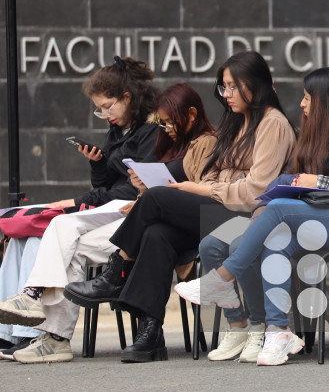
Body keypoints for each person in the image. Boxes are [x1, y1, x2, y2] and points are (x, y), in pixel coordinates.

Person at [174, 55, 329, 367]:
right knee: (272, 237)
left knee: (275, 210)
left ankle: (223, 277)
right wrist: (300, 186)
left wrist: (314, 181)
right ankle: (277, 330)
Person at [63, 51, 295, 363]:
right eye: (223, 87)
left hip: (248, 217)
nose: (225, 95)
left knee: (157, 197)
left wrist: (199, 188)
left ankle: (117, 271)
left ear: (255, 84)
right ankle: (150, 332)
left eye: (232, 87)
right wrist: (207, 185)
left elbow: (256, 190)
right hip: (221, 209)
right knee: (157, 234)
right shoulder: (237, 123)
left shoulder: (273, 124)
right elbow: (215, 171)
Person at [0, 83, 216, 364]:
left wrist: (143, 195)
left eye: (168, 122)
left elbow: (197, 191)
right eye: (161, 123)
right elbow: (142, 190)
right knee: (66, 239)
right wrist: (138, 186)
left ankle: (69, 291)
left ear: (190, 114)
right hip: (139, 214)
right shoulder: (156, 140)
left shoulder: (203, 142)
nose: (165, 128)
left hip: (154, 219)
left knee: (67, 226)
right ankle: (53, 333)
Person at [0, 56, 159, 357]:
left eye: (107, 106)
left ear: (127, 97)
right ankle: (55, 339)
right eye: (98, 109)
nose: (104, 114)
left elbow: (135, 186)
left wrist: (81, 201)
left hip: (134, 208)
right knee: (66, 242)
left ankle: (32, 296)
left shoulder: (150, 130)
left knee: (60, 223)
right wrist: (98, 164)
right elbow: (107, 183)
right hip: (114, 207)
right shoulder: (117, 130)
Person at [197, 67, 329, 363]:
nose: (301, 105)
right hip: (265, 213)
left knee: (242, 245)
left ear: (326, 103)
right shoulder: (306, 135)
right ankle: (238, 325)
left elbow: (322, 191)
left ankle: (260, 325)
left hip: (296, 220)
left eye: (307, 98)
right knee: (209, 246)